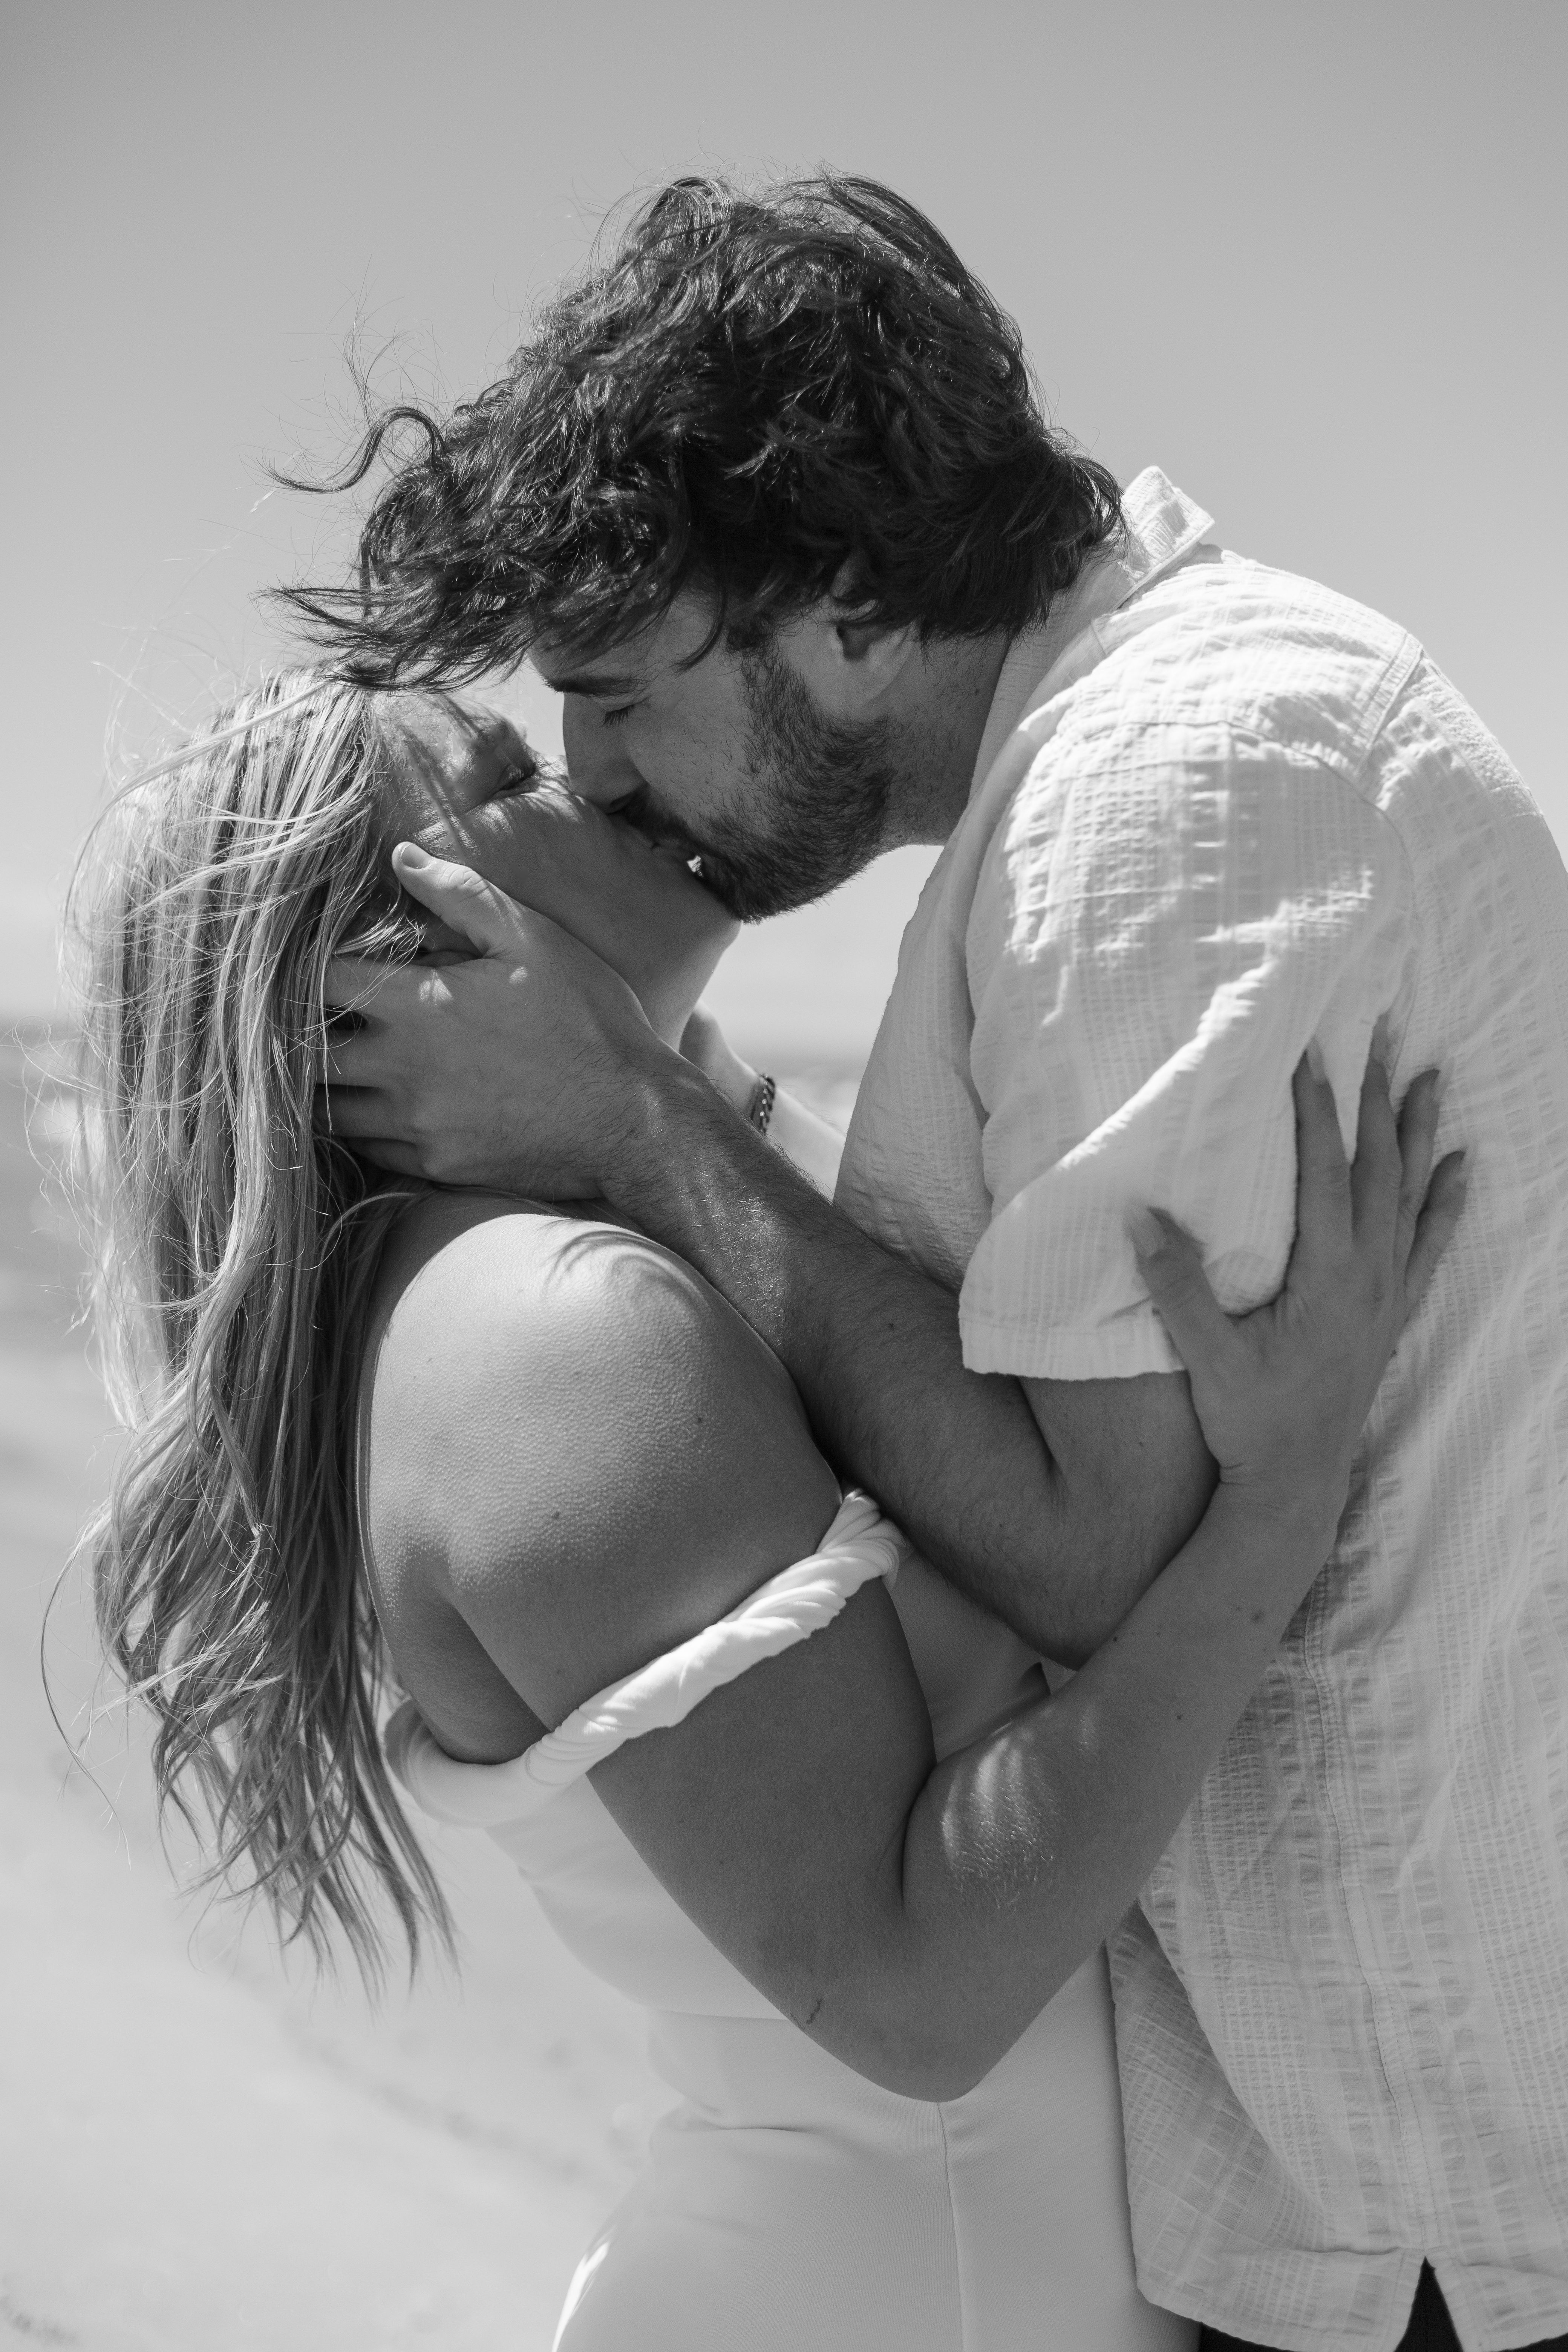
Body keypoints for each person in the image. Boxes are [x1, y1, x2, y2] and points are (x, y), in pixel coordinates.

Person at [306, 176, 1568, 2351]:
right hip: (1368, 2156)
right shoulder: (1141, 766)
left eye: (613, 693)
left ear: (855, 597)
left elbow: (1095, 1560)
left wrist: (638, 1115)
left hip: (1422, 2174)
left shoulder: (1160, 798)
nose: (597, 774)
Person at [75, 670, 1458, 2351]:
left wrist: (631, 1091)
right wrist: (1282, 1503)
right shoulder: (553, 1341)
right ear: (381, 973)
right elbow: (914, 1991)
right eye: (505, 776)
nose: (593, 780)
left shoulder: (607, 1242)